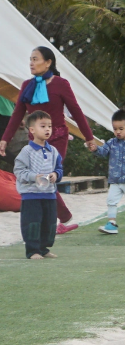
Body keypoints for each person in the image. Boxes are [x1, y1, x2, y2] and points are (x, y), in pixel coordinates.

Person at [1, 46, 96, 235]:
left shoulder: (61, 84)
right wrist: (4, 139)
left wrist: (89, 137)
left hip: (58, 138)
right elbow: (17, 113)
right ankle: (61, 218)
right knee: (42, 180)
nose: (31, 63)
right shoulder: (27, 85)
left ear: (48, 62)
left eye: (35, 59)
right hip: (35, 143)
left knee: (48, 175)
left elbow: (76, 111)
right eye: (30, 59)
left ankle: (61, 218)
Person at [14, 111, 63, 259]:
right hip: (31, 195)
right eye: (43, 126)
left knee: (49, 223)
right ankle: (33, 251)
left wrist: (56, 174)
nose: (48, 129)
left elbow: (59, 167)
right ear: (32, 130)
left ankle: (43, 248)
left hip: (49, 194)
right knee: (32, 223)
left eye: (49, 126)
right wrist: (34, 177)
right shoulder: (26, 151)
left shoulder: (53, 150)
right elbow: (19, 170)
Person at [93, 109, 125, 235]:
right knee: (111, 201)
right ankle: (111, 223)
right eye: (115, 129)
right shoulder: (111, 143)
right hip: (115, 180)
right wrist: (95, 149)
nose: (118, 132)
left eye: (121, 129)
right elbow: (103, 152)